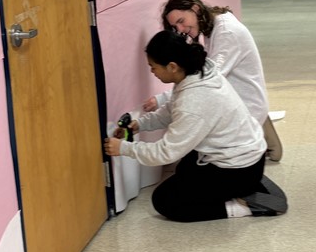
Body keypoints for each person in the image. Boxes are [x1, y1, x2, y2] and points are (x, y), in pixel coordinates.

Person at [103, 30, 272, 222]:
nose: (152, 72)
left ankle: (241, 207)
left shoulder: (194, 101)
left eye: (154, 67)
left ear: (172, 66)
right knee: (184, 169)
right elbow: (172, 109)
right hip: (247, 156)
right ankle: (241, 188)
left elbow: (166, 152)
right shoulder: (196, 73)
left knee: (165, 201)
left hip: (240, 169)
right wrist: (139, 125)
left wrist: (124, 148)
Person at [143, 0, 284, 161]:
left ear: (195, 8)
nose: (180, 30)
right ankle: (268, 142)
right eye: (175, 26)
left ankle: (263, 144)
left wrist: (161, 99)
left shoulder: (226, 32)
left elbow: (206, 80)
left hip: (246, 105)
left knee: (195, 148)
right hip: (244, 98)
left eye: (181, 21)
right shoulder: (215, 24)